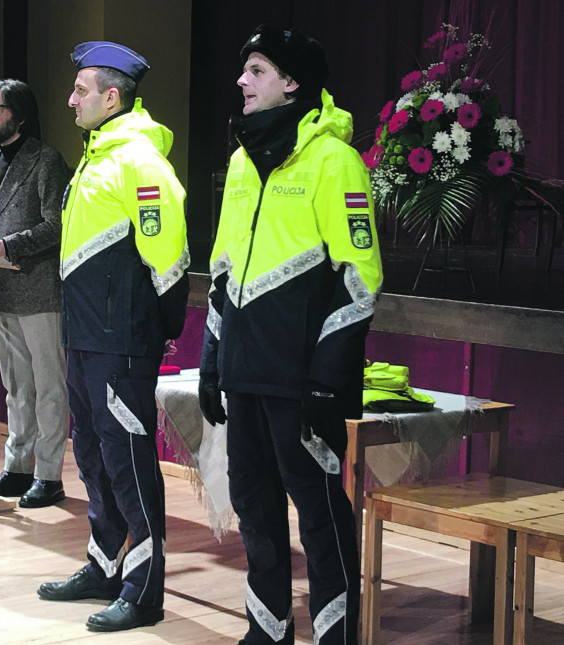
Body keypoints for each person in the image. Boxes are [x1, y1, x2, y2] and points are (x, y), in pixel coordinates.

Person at [198, 25, 383, 645]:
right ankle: (267, 630)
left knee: (321, 515)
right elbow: (224, 269)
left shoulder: (336, 161)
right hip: (245, 369)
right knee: (254, 505)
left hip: (303, 379)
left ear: (292, 82)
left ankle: (336, 636)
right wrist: (211, 358)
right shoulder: (240, 161)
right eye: (244, 70)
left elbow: (360, 276)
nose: (241, 81)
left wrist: (328, 377)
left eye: (257, 70)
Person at [36, 41, 190, 633]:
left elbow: (168, 257)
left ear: (112, 96)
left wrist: (158, 330)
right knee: (94, 456)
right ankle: (105, 565)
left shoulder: (139, 160)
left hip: (121, 340)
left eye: (80, 90)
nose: (70, 99)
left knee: (128, 462)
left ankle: (144, 590)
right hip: (85, 336)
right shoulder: (96, 155)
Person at [0, 79, 71, 508]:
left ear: (20, 115)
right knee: (16, 387)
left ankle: (49, 475)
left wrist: (9, 245)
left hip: (38, 288)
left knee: (48, 387)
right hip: (1, 287)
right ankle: (18, 466)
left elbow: (57, 224)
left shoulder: (46, 160)